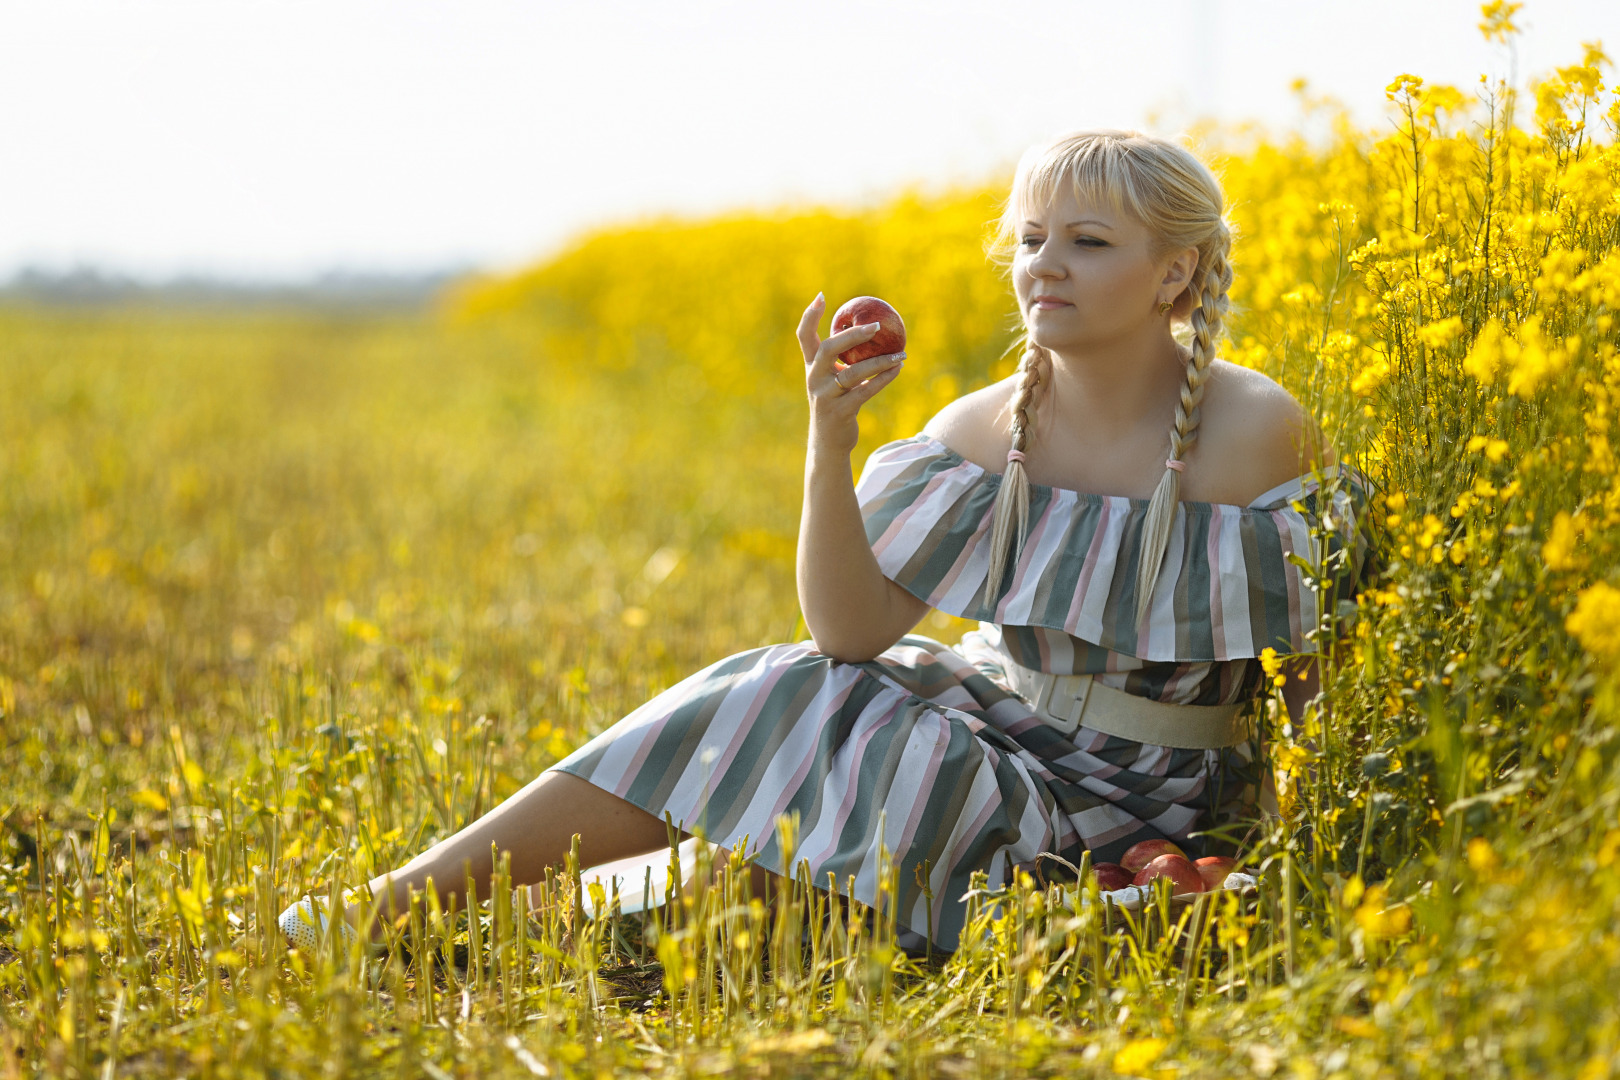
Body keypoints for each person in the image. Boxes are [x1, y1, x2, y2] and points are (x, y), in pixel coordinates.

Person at [279, 129, 1370, 955]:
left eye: (1088, 244)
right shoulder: (986, 428)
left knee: (782, 878)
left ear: (1174, 274)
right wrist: (829, 438)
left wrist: (1308, 849)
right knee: (791, 693)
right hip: (1004, 736)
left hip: (1154, 796)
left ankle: (486, 921)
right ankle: (396, 908)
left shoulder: (1254, 429)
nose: (1046, 265)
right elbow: (848, 633)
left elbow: (1319, 667)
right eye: (1032, 240)